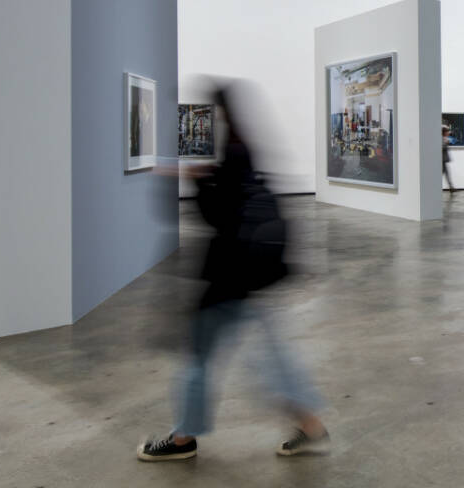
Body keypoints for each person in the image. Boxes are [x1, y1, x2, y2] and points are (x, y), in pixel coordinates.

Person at [138, 85, 328, 462]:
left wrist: (192, 180)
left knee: (200, 360)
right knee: (269, 357)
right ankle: (311, 426)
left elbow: (216, 214)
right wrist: (204, 174)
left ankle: (183, 439)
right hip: (251, 276)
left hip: (227, 278)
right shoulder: (247, 153)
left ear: (221, 113)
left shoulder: (233, 157)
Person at [442, 127, 456, 192]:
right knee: (446, 174)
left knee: (447, 174)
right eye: (447, 132)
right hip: (442, 160)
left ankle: (451, 187)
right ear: (444, 132)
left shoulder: (445, 138)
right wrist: (446, 142)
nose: (448, 133)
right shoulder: (442, 139)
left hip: (444, 160)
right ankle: (451, 188)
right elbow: (442, 147)